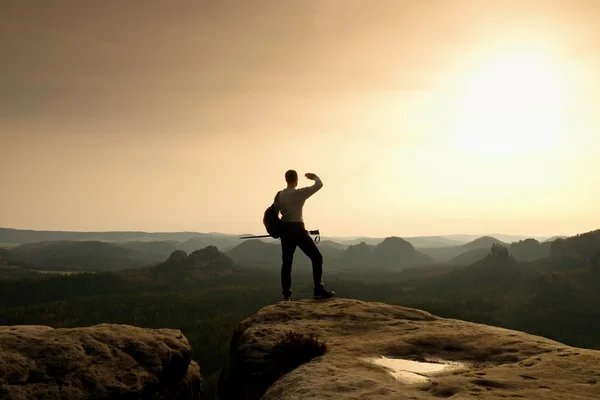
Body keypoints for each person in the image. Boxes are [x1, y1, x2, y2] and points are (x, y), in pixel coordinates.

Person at [274, 170, 335, 301]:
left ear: (286, 179)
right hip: (298, 229)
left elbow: (274, 214)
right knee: (316, 257)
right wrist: (314, 177)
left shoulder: (279, 195)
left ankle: (287, 296)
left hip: (285, 230)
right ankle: (318, 289)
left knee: (287, 264)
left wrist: (278, 229)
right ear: (296, 180)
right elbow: (319, 185)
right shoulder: (299, 193)